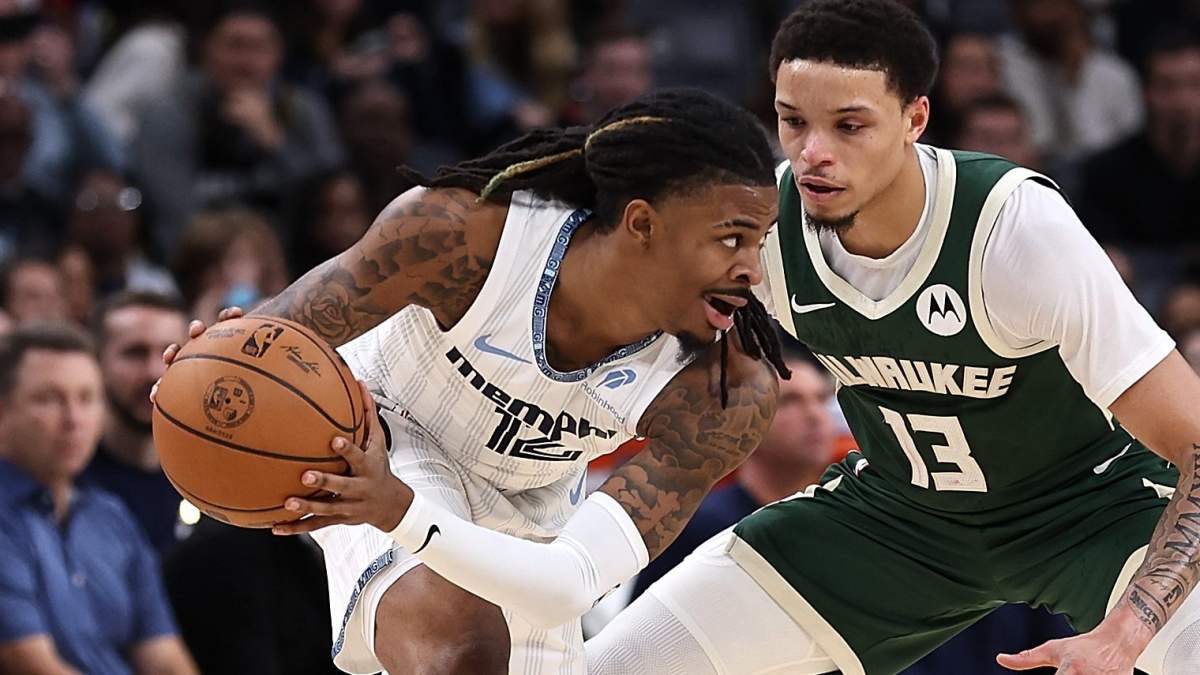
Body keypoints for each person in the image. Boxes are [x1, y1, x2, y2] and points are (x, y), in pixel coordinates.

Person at [585, 2, 1200, 673]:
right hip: (899, 520)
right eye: (793, 121)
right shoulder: (764, 227)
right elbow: (612, 356)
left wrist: (1128, 632)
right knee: (614, 665)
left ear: (915, 118)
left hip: (1090, 515)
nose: (814, 153)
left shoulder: (1013, 228)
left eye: (849, 125)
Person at [166, 88, 788, 674]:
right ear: (643, 223)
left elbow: (569, 582)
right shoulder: (462, 235)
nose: (752, 271)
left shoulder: (725, 390)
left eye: (760, 241)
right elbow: (277, 336)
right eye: (731, 239)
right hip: (380, 437)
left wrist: (405, 514)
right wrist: (205, 374)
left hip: (536, 497)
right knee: (461, 651)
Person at [0, 322, 196, 674]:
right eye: (49, 399)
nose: (73, 419)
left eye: (87, 398)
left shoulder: (111, 515)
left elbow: (164, 656)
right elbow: (30, 665)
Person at [628, 353, 836, 600]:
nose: (815, 415)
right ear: (743, 423)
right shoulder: (701, 527)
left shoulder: (841, 521)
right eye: (789, 402)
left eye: (822, 399)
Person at [83, 291, 190, 556]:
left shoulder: (214, 472)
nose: (154, 371)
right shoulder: (65, 478)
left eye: (168, 353)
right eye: (135, 353)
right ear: (97, 361)